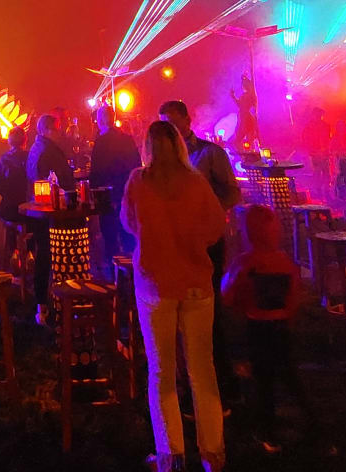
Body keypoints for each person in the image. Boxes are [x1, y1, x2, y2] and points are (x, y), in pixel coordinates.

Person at [121, 120, 227, 472]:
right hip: (195, 283)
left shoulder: (138, 181)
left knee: (161, 371)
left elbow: (128, 221)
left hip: (154, 285)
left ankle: (171, 455)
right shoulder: (196, 182)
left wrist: (154, 237)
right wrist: (192, 242)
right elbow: (216, 226)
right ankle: (212, 454)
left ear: (148, 147)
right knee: (202, 370)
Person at [223, 204, 324, 454]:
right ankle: (315, 428)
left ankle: (268, 434)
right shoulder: (285, 262)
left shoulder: (245, 262)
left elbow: (227, 295)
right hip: (282, 328)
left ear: (247, 232)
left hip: (257, 329)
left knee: (263, 381)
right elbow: (294, 298)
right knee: (291, 377)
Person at [160, 100, 240, 408]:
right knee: (184, 311)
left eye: (172, 121)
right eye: (164, 123)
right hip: (178, 243)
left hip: (207, 241)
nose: (169, 128)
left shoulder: (209, 153)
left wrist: (211, 213)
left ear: (186, 120)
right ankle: (191, 384)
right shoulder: (165, 158)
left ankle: (224, 384)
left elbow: (232, 191)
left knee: (209, 310)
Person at [26, 114, 73, 312]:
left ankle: (44, 301)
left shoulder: (36, 147)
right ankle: (59, 299)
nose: (59, 132)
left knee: (44, 253)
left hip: (39, 208)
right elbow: (61, 178)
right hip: (50, 210)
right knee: (50, 253)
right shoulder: (48, 150)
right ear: (46, 130)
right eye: (56, 129)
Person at [90, 104, 141, 267]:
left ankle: (114, 272)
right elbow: (137, 166)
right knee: (127, 232)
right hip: (126, 191)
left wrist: (93, 193)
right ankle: (131, 268)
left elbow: (96, 171)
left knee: (110, 235)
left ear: (100, 120)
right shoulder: (127, 139)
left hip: (107, 194)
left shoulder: (101, 142)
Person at [0, 126, 31, 256]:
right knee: (37, 221)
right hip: (28, 208)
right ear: (25, 140)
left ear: (9, 141)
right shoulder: (29, 157)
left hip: (9, 208)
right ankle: (30, 252)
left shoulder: (4, 158)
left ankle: (13, 252)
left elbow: (0, 186)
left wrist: (9, 196)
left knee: (9, 222)